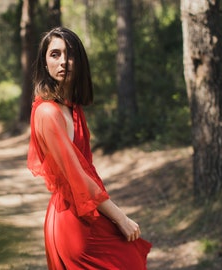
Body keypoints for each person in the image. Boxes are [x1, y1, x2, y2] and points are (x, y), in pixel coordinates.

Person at [27, 27, 151, 269]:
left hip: (87, 212)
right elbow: (77, 177)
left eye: (70, 54)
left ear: (80, 61)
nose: (63, 61)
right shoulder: (47, 112)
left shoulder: (72, 108)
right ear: (44, 62)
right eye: (55, 54)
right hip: (72, 223)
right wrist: (120, 218)